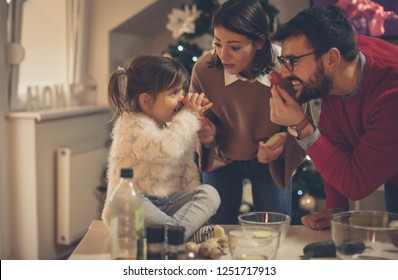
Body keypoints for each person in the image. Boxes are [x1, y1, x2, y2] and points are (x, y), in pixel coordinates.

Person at [270, 5, 398, 230]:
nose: (284, 73)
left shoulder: (391, 93)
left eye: (293, 61)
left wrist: (302, 125)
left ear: (331, 59)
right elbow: (335, 143)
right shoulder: (337, 72)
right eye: (283, 61)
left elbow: (356, 183)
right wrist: (338, 210)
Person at [190, 0, 310, 224]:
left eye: (234, 47)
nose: (223, 55)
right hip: (222, 157)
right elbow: (202, 120)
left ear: (259, 42)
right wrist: (206, 135)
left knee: (275, 228)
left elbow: (303, 125)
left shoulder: (286, 68)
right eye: (217, 44)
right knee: (218, 230)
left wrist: (284, 141)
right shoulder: (204, 69)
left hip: (271, 162)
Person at [101, 55, 221, 241]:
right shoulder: (131, 124)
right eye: (173, 93)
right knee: (125, 201)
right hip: (137, 205)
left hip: (168, 204)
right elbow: (167, 149)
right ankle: (179, 235)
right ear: (146, 101)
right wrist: (189, 116)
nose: (181, 98)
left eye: (181, 91)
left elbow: (187, 174)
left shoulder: (172, 125)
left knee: (210, 193)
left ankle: (171, 234)